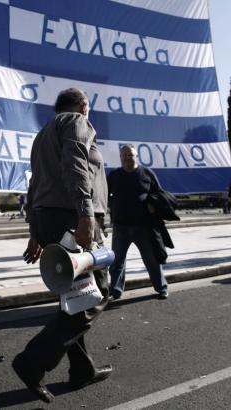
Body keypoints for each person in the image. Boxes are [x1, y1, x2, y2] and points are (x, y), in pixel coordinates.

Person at [13, 88, 111, 403]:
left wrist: (35, 232)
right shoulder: (76, 121)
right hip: (70, 217)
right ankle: (33, 362)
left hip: (48, 218)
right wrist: (86, 214)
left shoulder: (43, 134)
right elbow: (76, 165)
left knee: (74, 297)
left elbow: (34, 184)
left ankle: (81, 370)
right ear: (83, 106)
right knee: (96, 294)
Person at [107, 145, 168, 300]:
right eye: (125, 155)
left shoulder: (147, 173)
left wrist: (153, 204)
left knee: (152, 259)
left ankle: (161, 288)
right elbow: (104, 195)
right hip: (120, 227)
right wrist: (102, 217)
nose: (128, 158)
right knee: (117, 262)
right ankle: (115, 291)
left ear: (136, 156)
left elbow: (159, 194)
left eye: (131, 155)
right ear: (120, 158)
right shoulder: (114, 176)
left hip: (143, 226)